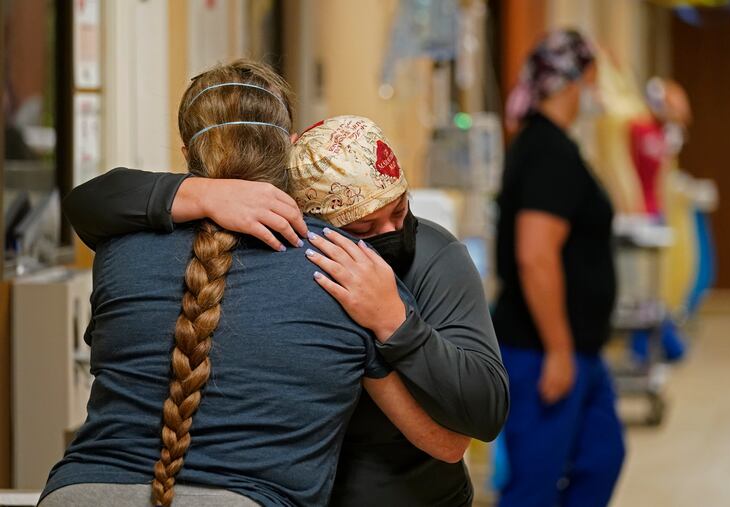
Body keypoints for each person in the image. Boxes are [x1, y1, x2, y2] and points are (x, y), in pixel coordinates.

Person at [39, 61, 471, 507]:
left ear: (188, 150)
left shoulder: (120, 249)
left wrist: (197, 194)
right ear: (288, 147)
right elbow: (445, 443)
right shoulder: (342, 266)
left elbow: (90, 201)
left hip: (78, 493)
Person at [493, 29, 625, 507]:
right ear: (580, 78)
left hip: (575, 346)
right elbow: (535, 255)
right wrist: (559, 349)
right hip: (541, 347)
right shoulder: (548, 152)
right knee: (535, 482)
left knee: (601, 456)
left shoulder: (551, 145)